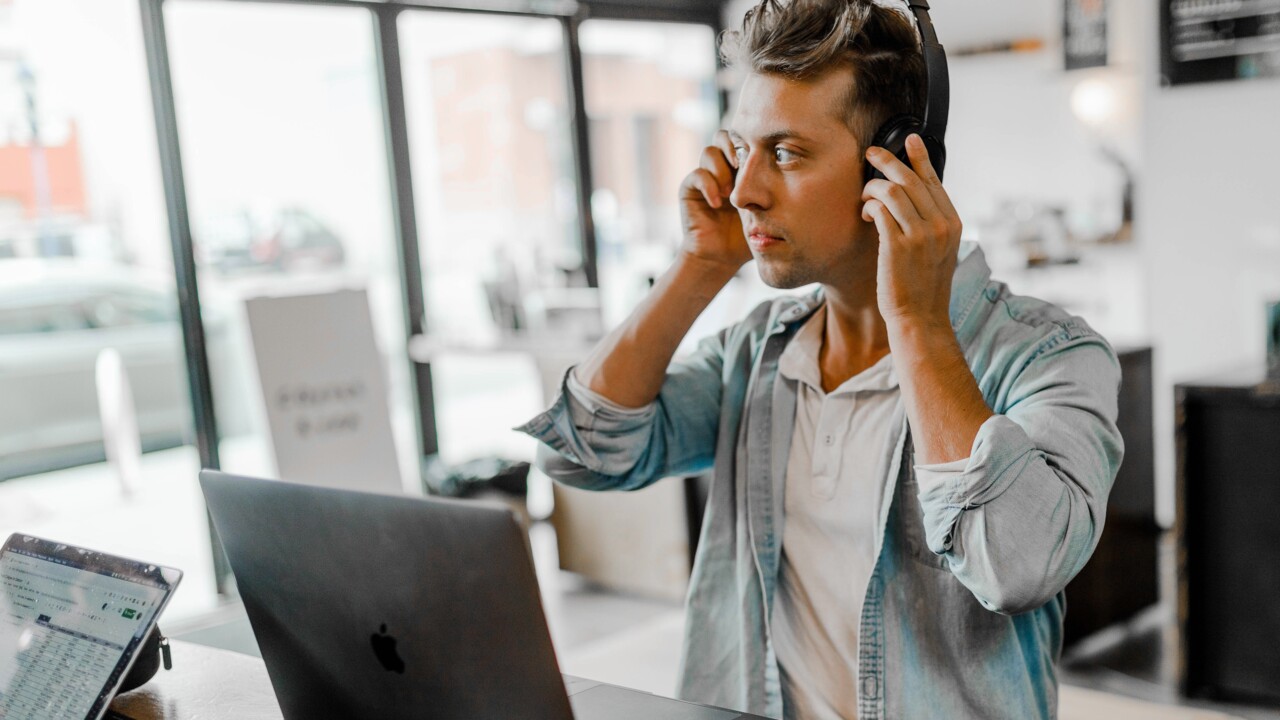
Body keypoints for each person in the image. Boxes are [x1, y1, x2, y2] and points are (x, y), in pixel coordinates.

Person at [518, 0, 1123, 718]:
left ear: (895, 165)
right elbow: (585, 453)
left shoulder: (1049, 357)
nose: (743, 192)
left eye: (786, 152)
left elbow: (1017, 566)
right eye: (742, 150)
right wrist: (699, 267)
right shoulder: (758, 350)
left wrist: (918, 323)